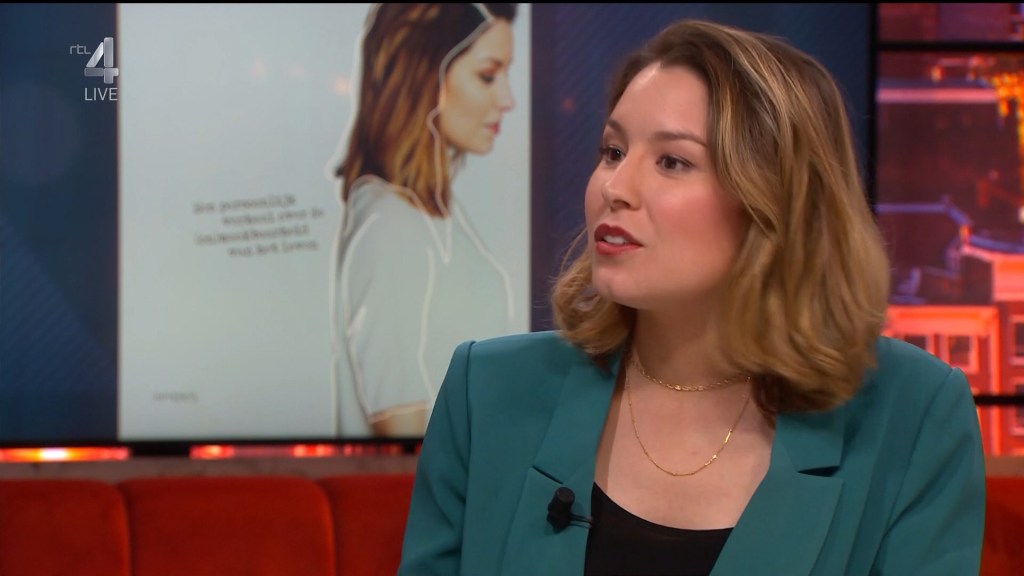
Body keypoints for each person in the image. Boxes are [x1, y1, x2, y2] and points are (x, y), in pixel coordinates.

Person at [398, 18, 986, 575]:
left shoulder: (912, 416)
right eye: (613, 151)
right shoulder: (487, 394)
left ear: (774, 201)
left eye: (672, 161)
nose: (615, 188)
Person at [330, 3, 519, 438]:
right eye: (487, 76)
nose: (507, 100)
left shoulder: (431, 214)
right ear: (426, 75)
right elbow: (401, 433)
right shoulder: (392, 227)